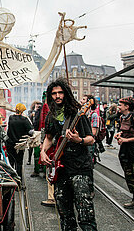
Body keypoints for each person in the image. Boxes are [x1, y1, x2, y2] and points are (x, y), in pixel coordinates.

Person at [40, 78, 97, 231]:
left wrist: (79, 140)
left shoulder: (78, 114)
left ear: (66, 94)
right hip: (61, 170)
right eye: (54, 93)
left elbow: (91, 139)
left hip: (80, 168)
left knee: (85, 214)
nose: (57, 96)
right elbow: (49, 138)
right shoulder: (51, 116)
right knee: (65, 216)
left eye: (60, 92)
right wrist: (43, 151)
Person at [114, 97, 134, 215]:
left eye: (120, 105)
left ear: (127, 106)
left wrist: (126, 140)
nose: (118, 107)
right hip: (126, 153)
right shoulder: (122, 117)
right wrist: (119, 135)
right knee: (130, 177)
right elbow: (125, 131)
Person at [6, 103, 34, 180]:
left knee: (11, 162)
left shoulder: (11, 118)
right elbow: (31, 131)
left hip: (10, 143)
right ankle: (18, 179)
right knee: (19, 162)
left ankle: (11, 178)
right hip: (20, 144)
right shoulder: (24, 120)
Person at [81, 95, 99, 163]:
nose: (81, 101)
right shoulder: (82, 113)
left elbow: (94, 132)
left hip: (89, 143)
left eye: (83, 99)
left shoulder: (94, 115)